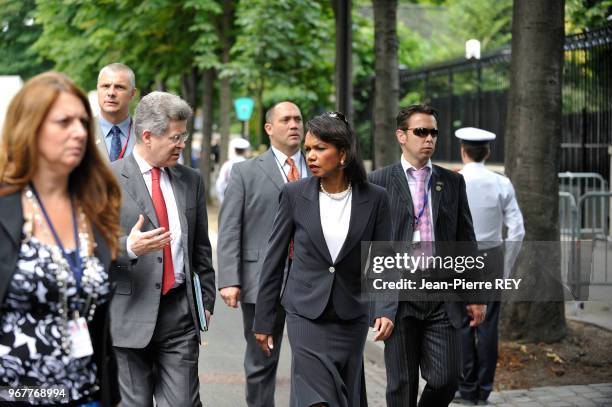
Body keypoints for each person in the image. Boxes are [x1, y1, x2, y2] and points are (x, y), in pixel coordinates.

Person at [253, 111, 395, 407]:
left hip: (350, 315)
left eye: (320, 149)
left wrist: (385, 308)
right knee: (317, 400)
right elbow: (274, 260)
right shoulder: (294, 194)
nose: (311, 156)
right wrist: (264, 320)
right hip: (305, 315)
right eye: (308, 149)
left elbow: (383, 259)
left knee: (344, 395)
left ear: (342, 153)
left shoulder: (376, 198)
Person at [0, 71, 122, 406]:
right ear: (31, 127)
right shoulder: (5, 208)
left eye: (83, 122)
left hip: (84, 395)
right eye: (64, 122)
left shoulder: (93, 208)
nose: (80, 133)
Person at [368, 104, 487, 407]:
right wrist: (379, 304)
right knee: (402, 384)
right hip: (399, 296)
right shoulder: (378, 181)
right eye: (421, 131)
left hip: (441, 294)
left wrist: (474, 292)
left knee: (447, 378)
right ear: (401, 136)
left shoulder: (452, 182)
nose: (429, 138)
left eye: (433, 132)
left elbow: (466, 239)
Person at [109, 91, 216, 407]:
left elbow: (201, 250)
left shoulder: (191, 180)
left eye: (184, 135)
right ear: (147, 136)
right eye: (175, 137)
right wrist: (128, 247)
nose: (182, 144)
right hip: (127, 318)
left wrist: (204, 301)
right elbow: (89, 246)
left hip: (179, 317)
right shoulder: (108, 179)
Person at [217, 101, 307, 407]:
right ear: (269, 129)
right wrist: (230, 278)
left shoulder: (319, 167)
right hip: (261, 283)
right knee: (261, 361)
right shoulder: (245, 172)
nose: (294, 124)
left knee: (311, 362)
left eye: (298, 119)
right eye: (286, 120)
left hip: (312, 283)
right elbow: (230, 228)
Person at [455, 127, 525, 404]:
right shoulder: (502, 183)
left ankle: (465, 387)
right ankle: (484, 390)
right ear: (488, 153)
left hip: (459, 258)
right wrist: (506, 267)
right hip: (492, 257)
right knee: (488, 326)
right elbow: (517, 230)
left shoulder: (453, 180)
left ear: (462, 151)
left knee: (460, 324)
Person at [96, 63, 137, 161]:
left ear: (132, 94)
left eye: (119, 87)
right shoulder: (82, 131)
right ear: (98, 89)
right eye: (105, 86)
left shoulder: (146, 134)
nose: (111, 93)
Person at [215, 137, 251, 204]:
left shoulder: (227, 165)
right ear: (245, 151)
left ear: (234, 149)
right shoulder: (250, 165)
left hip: (230, 200)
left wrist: (223, 201)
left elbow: (220, 185)